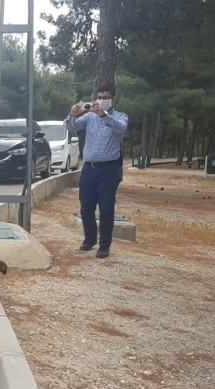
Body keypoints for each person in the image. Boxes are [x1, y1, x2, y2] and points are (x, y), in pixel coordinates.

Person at [66, 83, 129, 258]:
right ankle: (90, 239)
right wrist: (72, 114)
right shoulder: (90, 117)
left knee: (106, 208)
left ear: (113, 99)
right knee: (86, 207)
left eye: (105, 98)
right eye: (99, 97)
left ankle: (104, 245)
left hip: (109, 170)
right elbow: (72, 127)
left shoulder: (120, 116)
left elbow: (120, 127)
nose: (101, 100)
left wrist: (104, 115)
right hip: (89, 169)